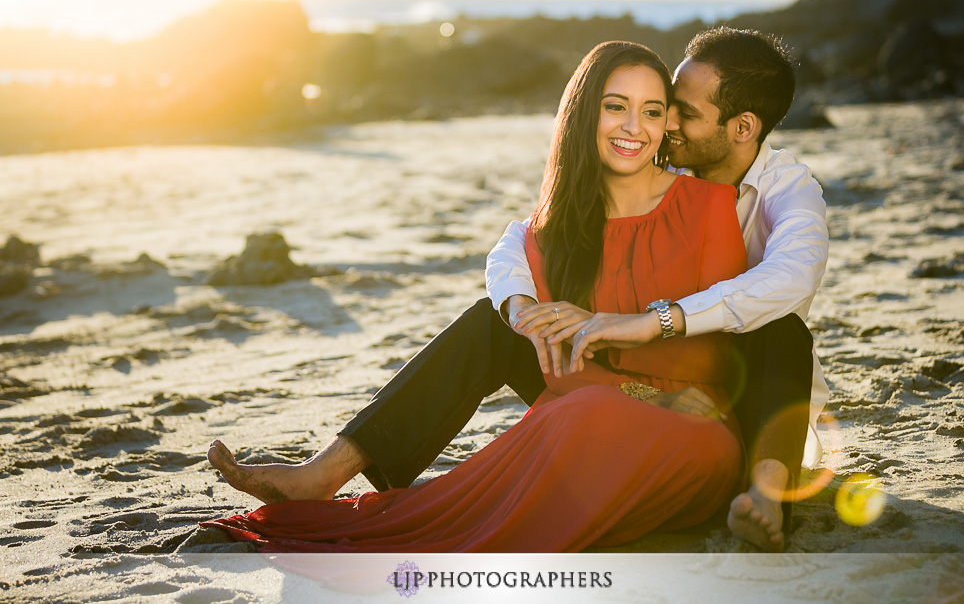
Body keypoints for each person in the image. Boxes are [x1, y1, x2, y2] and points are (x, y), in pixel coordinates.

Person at [207, 27, 829, 553]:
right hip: (607, 376)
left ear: (742, 126)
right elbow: (517, 243)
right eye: (640, 107)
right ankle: (328, 474)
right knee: (494, 321)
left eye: (675, 111)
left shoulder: (776, 195)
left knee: (777, 328)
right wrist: (524, 306)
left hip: (744, 392)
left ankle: (767, 491)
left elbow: (788, 279)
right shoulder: (641, 174)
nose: (661, 126)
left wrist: (642, 322)